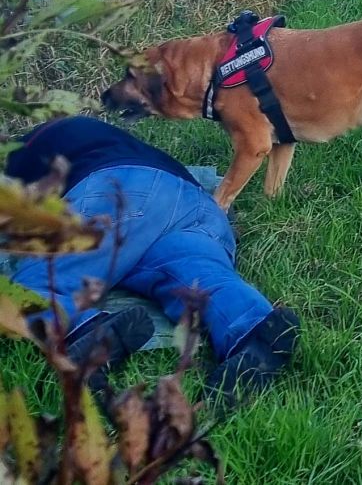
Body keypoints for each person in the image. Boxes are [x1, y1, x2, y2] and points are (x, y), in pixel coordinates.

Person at [4, 115, 299, 404]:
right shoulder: (89, 134)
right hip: (198, 208)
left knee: (33, 284)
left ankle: (85, 334)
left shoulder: (16, 156)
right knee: (200, 277)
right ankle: (253, 328)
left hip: (119, 193)